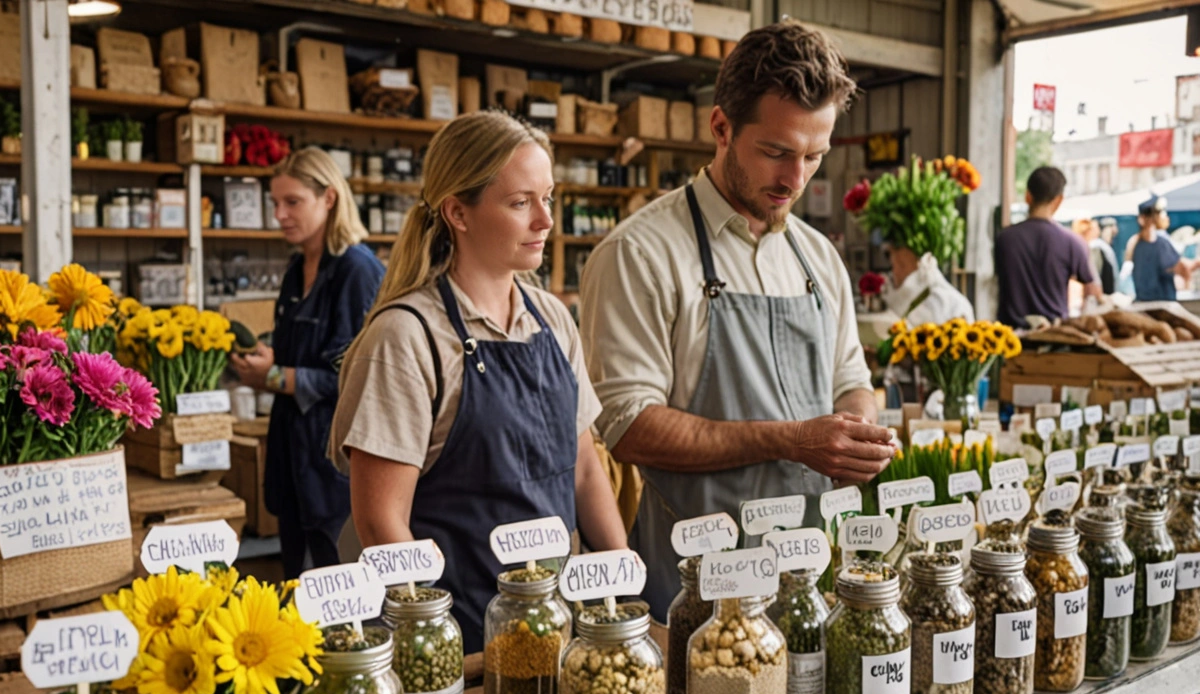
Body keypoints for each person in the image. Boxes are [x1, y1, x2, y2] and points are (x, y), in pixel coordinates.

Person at [577, 21, 895, 620]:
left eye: (813, 156)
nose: (795, 180)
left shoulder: (816, 255)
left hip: (807, 575)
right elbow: (629, 426)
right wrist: (795, 440)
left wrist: (856, 434)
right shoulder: (640, 254)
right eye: (776, 153)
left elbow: (850, 378)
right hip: (695, 584)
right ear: (720, 127)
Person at [328, 111, 627, 651]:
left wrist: (616, 591)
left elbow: (584, 469)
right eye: (521, 203)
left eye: (549, 198)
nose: (545, 221)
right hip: (464, 633)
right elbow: (379, 522)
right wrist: (436, 639)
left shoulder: (551, 318)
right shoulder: (407, 338)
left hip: (561, 626)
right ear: (458, 213)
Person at [229, 147, 385, 580]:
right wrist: (271, 362)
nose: (279, 214)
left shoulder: (358, 270)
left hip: (334, 466)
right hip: (292, 461)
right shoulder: (297, 269)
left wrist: (276, 377)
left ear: (329, 199)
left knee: (338, 593)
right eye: (275, 203)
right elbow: (305, 353)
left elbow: (359, 376)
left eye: (292, 202)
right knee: (299, 586)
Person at [994, 167, 1101, 328]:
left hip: (1011, 339)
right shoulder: (1072, 242)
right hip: (1054, 338)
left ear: (1028, 196)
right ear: (1058, 200)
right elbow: (1092, 290)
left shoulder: (1005, 238)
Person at [1131, 195, 1197, 301]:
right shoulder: (1159, 243)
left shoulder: (1137, 244)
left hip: (1144, 304)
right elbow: (1183, 268)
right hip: (1162, 307)